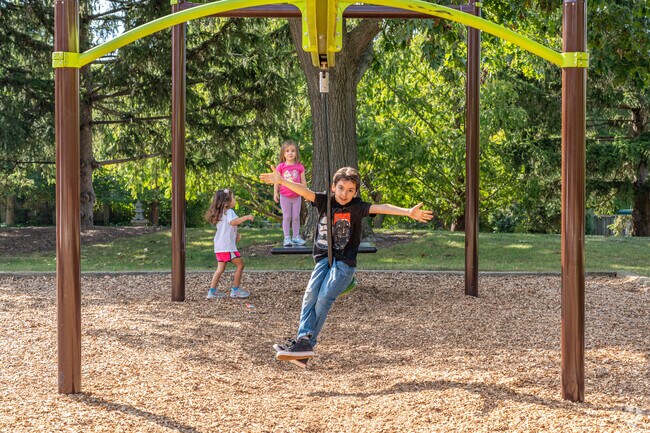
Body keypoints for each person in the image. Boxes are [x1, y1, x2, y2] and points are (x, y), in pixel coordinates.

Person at [260, 166, 433, 367]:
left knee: (324, 297)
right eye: (341, 188)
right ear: (333, 187)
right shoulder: (325, 201)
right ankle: (303, 345)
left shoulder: (357, 207)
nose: (345, 194)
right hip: (324, 259)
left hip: (344, 264)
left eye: (350, 190)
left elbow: (382, 207)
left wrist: (408, 212)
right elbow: (303, 191)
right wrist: (281, 181)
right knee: (310, 295)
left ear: (356, 192)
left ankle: (305, 344)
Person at [204, 188, 254, 300]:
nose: (235, 199)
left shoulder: (220, 214)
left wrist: (236, 236)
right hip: (227, 248)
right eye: (234, 197)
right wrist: (247, 217)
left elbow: (227, 229)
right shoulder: (229, 212)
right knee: (240, 265)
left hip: (219, 247)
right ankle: (235, 290)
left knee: (220, 269)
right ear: (227, 202)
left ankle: (212, 291)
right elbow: (233, 222)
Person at [274, 140, 308, 247]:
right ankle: (287, 237)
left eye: (293, 151)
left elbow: (303, 181)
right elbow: (276, 181)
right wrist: (275, 193)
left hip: (297, 196)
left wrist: (305, 193)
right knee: (287, 216)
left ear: (296, 153)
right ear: (283, 154)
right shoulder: (281, 167)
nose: (290, 153)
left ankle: (296, 237)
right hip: (285, 196)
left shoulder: (299, 167)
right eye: (287, 151)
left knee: (296, 217)